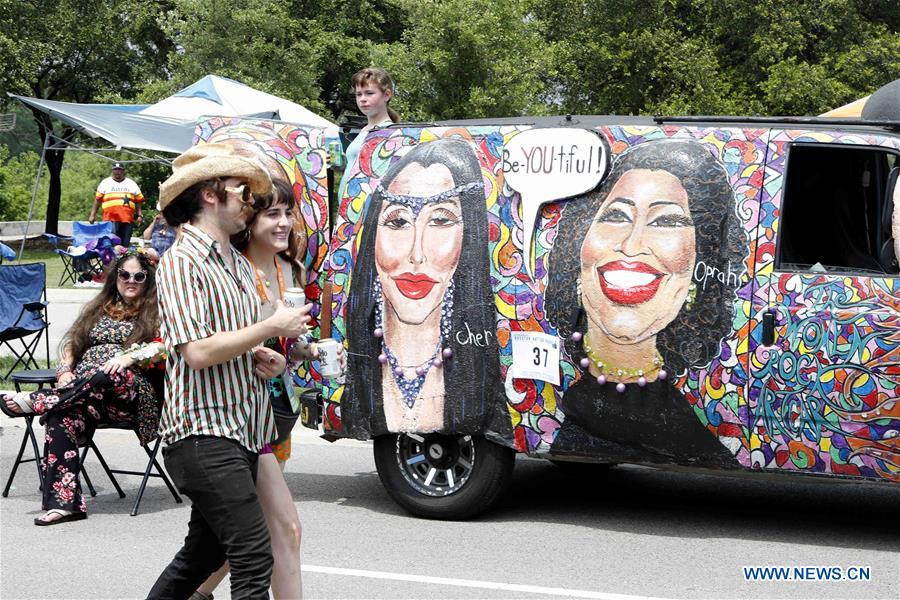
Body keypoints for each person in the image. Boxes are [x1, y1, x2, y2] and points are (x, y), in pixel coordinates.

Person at [147, 144, 312, 599]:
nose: (250, 200)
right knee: (254, 552)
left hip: (243, 429)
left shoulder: (236, 263)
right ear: (210, 194)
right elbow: (197, 352)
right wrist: (270, 325)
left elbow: (237, 343)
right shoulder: (184, 261)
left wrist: (269, 357)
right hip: (203, 432)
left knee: (198, 559)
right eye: (242, 190)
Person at [544, 139, 744, 463]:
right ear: (578, 242)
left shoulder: (698, 446)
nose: (632, 245)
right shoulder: (551, 405)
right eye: (616, 216)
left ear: (700, 257)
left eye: (666, 221)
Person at [194, 178, 334, 600]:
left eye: (288, 213)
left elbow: (285, 346)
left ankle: (192, 594)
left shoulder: (290, 270)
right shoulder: (230, 271)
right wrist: (260, 348)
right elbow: (211, 343)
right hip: (234, 416)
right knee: (277, 528)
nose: (285, 223)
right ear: (250, 218)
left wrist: (308, 353)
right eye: (273, 213)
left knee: (248, 531)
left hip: (277, 412)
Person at [344, 138, 506, 438]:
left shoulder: (488, 378)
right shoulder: (357, 371)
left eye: (441, 220)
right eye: (398, 222)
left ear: (467, 235)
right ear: (372, 237)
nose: (416, 254)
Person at [2, 249, 165, 525]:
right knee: (59, 416)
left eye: (139, 276)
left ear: (148, 279)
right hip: (86, 395)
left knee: (108, 373)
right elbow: (71, 344)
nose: (131, 280)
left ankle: (39, 400)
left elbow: (166, 347)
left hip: (131, 397)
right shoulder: (98, 309)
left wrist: (127, 358)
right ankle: (66, 505)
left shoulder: (158, 311)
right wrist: (65, 370)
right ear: (115, 277)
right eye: (125, 274)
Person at [336, 67, 400, 203]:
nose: (363, 99)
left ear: (387, 95)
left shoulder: (391, 132)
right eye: (359, 94)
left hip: (367, 210)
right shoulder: (364, 130)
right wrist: (340, 164)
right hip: (347, 211)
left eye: (369, 93)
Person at [89, 162, 144, 247]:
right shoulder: (105, 182)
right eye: (115, 169)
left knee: (124, 244)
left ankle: (122, 260)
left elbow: (139, 200)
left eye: (119, 170)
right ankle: (112, 260)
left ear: (123, 171)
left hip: (127, 219)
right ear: (112, 171)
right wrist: (92, 215)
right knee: (112, 243)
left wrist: (140, 215)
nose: (117, 172)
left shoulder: (131, 183)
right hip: (110, 219)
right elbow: (97, 200)